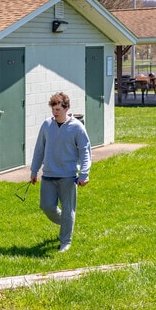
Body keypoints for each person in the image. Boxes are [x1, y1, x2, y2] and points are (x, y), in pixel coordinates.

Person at [30, 92, 91, 252]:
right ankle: (66, 222)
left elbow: (85, 150)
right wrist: (34, 170)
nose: (55, 112)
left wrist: (84, 174)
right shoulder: (46, 125)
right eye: (53, 109)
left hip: (68, 176)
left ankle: (65, 241)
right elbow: (39, 149)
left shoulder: (77, 127)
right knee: (46, 206)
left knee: (68, 209)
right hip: (49, 174)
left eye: (58, 109)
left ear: (67, 108)